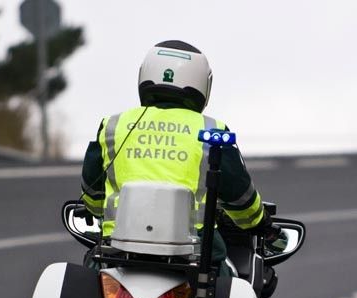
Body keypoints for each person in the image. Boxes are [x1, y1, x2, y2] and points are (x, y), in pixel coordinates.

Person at [79, 40, 284, 276]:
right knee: (232, 289)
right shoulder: (213, 130)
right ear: (203, 84)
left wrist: (96, 211)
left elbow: (92, 192)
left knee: (89, 277)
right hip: (195, 253)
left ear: (144, 75)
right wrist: (259, 222)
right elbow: (240, 196)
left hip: (115, 249)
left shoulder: (113, 125)